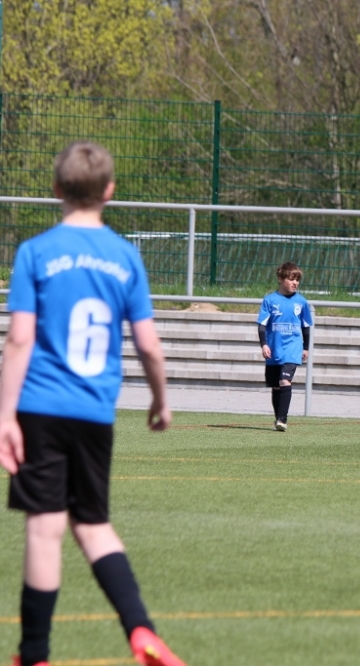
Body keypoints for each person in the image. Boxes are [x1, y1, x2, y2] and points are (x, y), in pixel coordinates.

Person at [0, 142, 185, 665]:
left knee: (44, 529)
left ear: (56, 188)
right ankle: (140, 629)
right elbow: (149, 346)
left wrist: (4, 414)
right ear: (109, 191)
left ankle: (34, 654)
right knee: (93, 525)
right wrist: (160, 400)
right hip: (94, 412)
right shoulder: (125, 256)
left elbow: (19, 340)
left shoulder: (35, 252)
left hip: (40, 407)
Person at [258, 262, 313, 432]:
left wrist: (305, 347)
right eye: (291, 279)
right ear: (281, 279)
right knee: (276, 385)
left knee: (284, 380)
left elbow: (306, 327)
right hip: (274, 349)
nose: (295, 283)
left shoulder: (301, 302)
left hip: (292, 349)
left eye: (297, 280)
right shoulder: (270, 300)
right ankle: (278, 418)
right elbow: (262, 325)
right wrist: (264, 344)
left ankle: (282, 419)